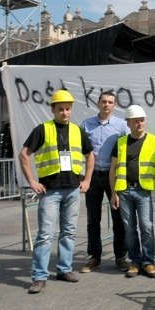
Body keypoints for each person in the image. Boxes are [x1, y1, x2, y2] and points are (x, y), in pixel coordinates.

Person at [20, 89, 94, 294]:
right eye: (60, 109)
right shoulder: (42, 129)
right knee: (45, 234)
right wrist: (32, 181)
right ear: (53, 109)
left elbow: (90, 156)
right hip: (50, 191)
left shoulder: (78, 131)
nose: (65, 112)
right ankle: (39, 276)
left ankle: (64, 269)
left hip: (72, 190)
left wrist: (87, 179)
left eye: (68, 109)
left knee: (69, 232)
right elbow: (24, 155)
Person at [109, 105, 155, 278]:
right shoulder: (120, 143)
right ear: (128, 123)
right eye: (135, 121)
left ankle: (148, 262)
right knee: (129, 229)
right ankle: (135, 262)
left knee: (147, 227)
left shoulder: (154, 141)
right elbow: (113, 170)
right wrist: (113, 193)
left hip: (143, 191)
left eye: (142, 120)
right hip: (124, 191)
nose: (139, 123)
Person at [79, 90, 130, 273]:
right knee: (93, 218)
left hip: (113, 176)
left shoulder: (122, 126)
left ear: (114, 105)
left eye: (110, 102)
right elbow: (80, 151)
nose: (106, 105)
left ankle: (121, 257)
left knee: (118, 218)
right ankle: (94, 257)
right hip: (93, 176)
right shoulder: (86, 125)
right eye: (104, 101)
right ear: (98, 103)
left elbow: (127, 149)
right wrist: (83, 177)